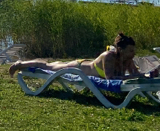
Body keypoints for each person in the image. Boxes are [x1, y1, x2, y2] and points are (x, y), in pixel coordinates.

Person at [9, 33, 158, 79]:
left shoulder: (127, 60)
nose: (134, 54)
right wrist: (137, 76)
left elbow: (136, 75)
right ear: (121, 49)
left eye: (134, 50)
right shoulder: (109, 57)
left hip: (85, 65)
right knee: (48, 66)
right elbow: (110, 79)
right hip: (79, 67)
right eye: (131, 51)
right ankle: (20, 64)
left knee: (56, 63)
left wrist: (148, 75)